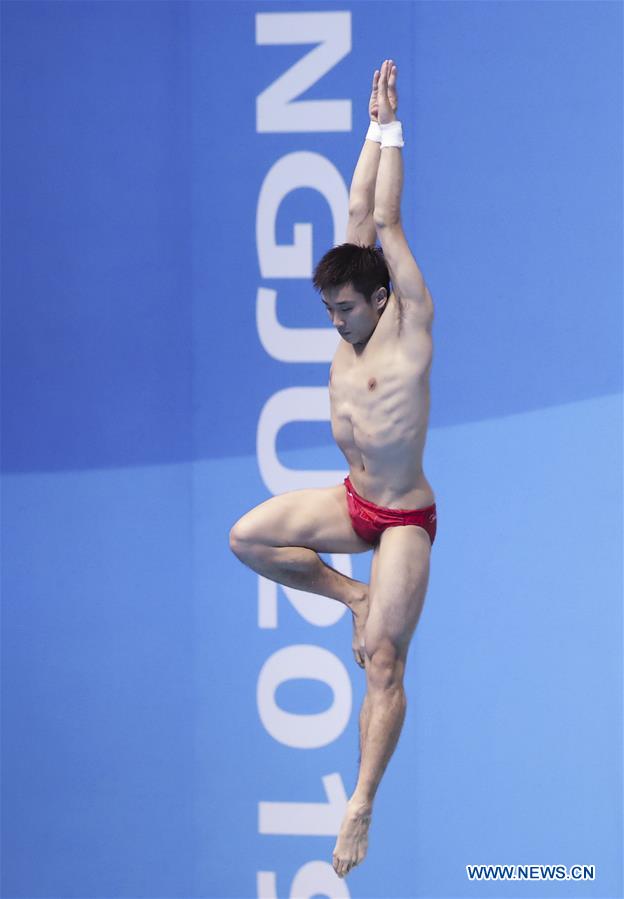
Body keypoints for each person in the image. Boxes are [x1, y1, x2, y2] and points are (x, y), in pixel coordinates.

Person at [229, 59, 436, 879]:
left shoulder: (408, 316)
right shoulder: (355, 311)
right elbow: (355, 209)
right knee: (249, 538)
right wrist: (367, 122)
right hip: (353, 503)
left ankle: (362, 799)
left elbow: (384, 217)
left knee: (383, 661)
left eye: (343, 307)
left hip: (403, 522)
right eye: (327, 311)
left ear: (380, 300)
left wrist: (395, 129)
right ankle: (351, 595)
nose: (334, 319)